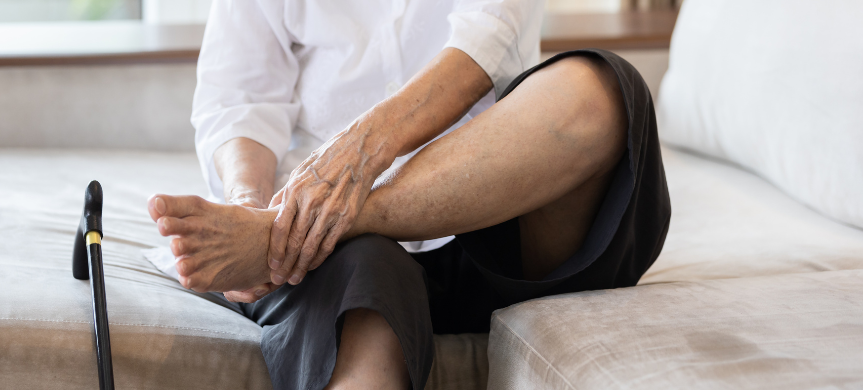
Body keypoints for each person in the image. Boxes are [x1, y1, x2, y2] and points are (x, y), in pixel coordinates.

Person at [147, 0, 671, 389]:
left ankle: (294, 228)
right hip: (336, 260)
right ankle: (299, 226)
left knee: (600, 89)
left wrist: (355, 158)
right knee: (366, 290)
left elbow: (487, 40)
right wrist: (246, 199)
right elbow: (239, 96)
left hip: (493, 211)